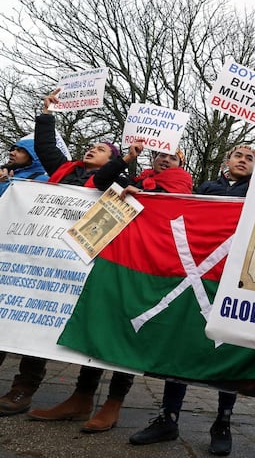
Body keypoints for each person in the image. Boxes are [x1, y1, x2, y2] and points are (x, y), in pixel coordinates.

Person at [128, 143, 255, 456]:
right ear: (227, 161)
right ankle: (168, 418)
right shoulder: (207, 188)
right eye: (238, 155)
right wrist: (141, 195)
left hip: (231, 278)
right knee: (182, 344)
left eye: (251, 157)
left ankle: (222, 421)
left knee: (227, 347)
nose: (243, 160)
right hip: (198, 270)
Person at [26, 89, 135, 433]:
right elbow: (45, 148)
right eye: (92, 146)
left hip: (89, 265)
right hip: (47, 262)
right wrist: (46, 113)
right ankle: (49, 393)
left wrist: (125, 161)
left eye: (102, 149)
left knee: (104, 326)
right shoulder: (64, 170)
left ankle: (106, 402)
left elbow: (104, 180)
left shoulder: (113, 180)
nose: (92, 149)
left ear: (113, 160)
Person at [0, 138, 51, 416]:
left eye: (19, 150)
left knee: (32, 327)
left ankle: (24, 388)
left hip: (34, 263)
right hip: (6, 259)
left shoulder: (45, 181)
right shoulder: (8, 177)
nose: (12, 153)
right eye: (13, 149)